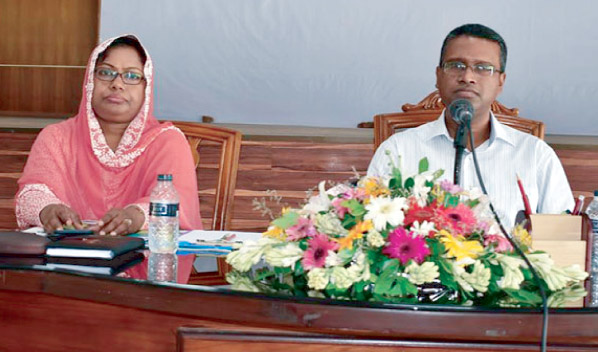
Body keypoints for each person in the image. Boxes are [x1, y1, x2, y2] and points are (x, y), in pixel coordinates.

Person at [368, 24, 574, 229]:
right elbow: (370, 231)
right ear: (438, 76)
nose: (467, 77)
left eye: (483, 68)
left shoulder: (536, 155)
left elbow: (564, 242)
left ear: (501, 81)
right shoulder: (396, 150)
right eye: (456, 65)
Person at [15, 35, 203, 235]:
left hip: (144, 260)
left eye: (131, 76)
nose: (117, 84)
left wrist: (135, 216)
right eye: (106, 72)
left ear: (146, 89)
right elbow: (33, 192)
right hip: (68, 258)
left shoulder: (167, 141)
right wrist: (47, 210)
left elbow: (178, 204)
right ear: (89, 80)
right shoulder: (57, 137)